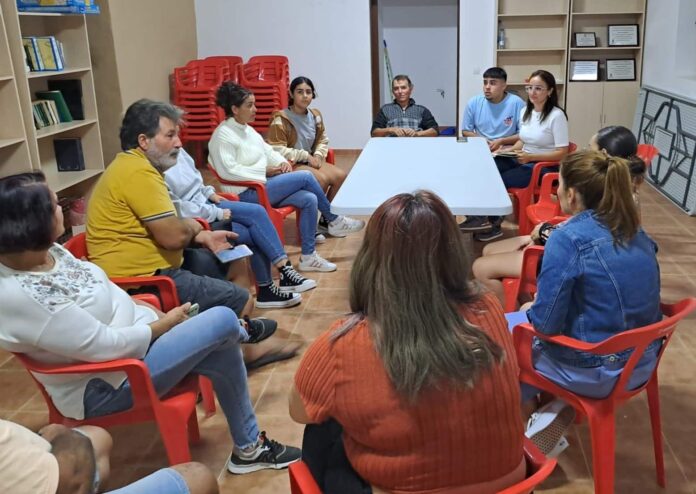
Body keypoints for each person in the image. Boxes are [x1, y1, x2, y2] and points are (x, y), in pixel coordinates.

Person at [0, 171, 302, 475]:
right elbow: (107, 346)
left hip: (141, 348)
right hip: (110, 383)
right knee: (222, 317)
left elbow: (104, 290)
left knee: (220, 345)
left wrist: (148, 311)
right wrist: (165, 324)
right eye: (54, 205)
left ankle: (249, 448)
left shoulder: (49, 251)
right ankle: (241, 331)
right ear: (31, 223)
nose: (61, 208)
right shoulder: (23, 296)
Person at [289, 191, 525, 492]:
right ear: (452, 251)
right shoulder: (488, 307)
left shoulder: (341, 345)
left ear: (371, 261)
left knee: (321, 427)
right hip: (511, 482)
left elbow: (299, 411)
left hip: (406, 486)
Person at [86, 99, 279, 346]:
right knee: (240, 297)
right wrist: (195, 227)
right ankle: (232, 349)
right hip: (144, 279)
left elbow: (172, 225)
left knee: (235, 261)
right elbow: (174, 236)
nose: (179, 143)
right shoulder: (138, 172)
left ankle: (237, 333)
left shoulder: (138, 166)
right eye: (170, 136)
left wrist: (201, 234)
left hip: (160, 263)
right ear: (144, 141)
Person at [519, 150, 661, 455]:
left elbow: (546, 325)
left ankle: (527, 444)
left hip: (595, 370)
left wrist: (530, 309)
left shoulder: (568, 239)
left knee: (505, 339)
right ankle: (551, 410)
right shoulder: (636, 230)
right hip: (641, 364)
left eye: (558, 185)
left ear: (571, 194)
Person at [472, 125, 648, 305]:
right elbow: (582, 229)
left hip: (564, 257)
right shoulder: (621, 192)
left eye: (589, 147)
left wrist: (545, 233)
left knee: (481, 267)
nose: (585, 151)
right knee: (488, 250)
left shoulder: (600, 190)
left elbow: (582, 239)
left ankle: (509, 314)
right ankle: (521, 299)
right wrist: (547, 231)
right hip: (564, 245)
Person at [208, 82, 365, 273]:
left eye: (254, 104)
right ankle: (334, 219)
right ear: (234, 109)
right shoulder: (222, 135)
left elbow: (268, 151)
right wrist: (265, 171)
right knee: (305, 176)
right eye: (249, 105)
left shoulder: (247, 129)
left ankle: (308, 257)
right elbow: (228, 171)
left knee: (309, 198)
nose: (255, 109)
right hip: (246, 194)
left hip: (263, 185)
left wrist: (282, 163)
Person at [165, 147, 317, 309]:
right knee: (258, 215)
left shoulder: (178, 151)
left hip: (208, 204)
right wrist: (215, 212)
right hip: (199, 217)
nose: (178, 141)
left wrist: (209, 193)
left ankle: (268, 288)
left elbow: (197, 181)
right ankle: (283, 273)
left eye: (176, 135)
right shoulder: (155, 171)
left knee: (257, 228)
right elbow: (179, 208)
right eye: (170, 135)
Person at [467, 70, 569, 242]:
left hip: (543, 166)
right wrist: (508, 152)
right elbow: (523, 139)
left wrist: (531, 157)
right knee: (485, 169)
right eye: (530, 88)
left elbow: (562, 152)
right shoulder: (526, 112)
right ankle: (478, 217)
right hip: (523, 158)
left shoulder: (556, 116)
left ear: (550, 91)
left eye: (538, 88)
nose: (532, 92)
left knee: (498, 180)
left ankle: (492, 224)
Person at [0, 420, 218, 493]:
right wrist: (63, 435)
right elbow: (73, 482)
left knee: (97, 437)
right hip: (65, 481)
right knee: (198, 476)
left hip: (39, 472)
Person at [266, 76, 347, 214]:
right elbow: (276, 150)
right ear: (291, 94)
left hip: (310, 160)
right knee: (321, 180)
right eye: (300, 92)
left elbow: (322, 139)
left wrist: (318, 155)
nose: (305, 96)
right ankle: (312, 217)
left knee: (341, 176)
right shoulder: (280, 118)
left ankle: (326, 218)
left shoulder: (315, 115)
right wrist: (305, 156)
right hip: (290, 164)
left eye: (308, 92)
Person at [459, 67, 526, 233]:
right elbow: (466, 131)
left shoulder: (517, 103)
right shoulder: (474, 102)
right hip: (482, 150)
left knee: (487, 171)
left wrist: (502, 141)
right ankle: (478, 217)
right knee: (465, 170)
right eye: (485, 82)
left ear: (504, 85)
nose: (487, 87)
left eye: (493, 83)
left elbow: (524, 134)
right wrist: (481, 140)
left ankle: (485, 220)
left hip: (507, 153)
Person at [371, 75, 439, 137]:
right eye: (396, 88)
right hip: (392, 146)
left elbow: (435, 131)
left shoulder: (421, 110)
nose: (400, 91)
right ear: (393, 91)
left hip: (416, 145)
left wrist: (417, 133)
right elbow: (374, 132)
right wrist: (390, 130)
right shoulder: (385, 109)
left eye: (403, 88)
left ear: (410, 89)